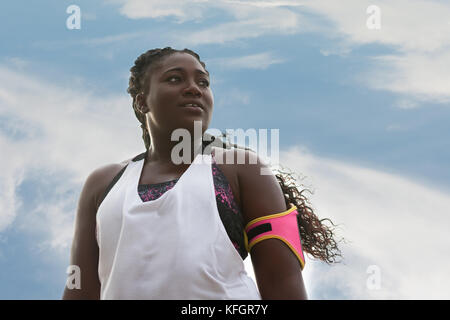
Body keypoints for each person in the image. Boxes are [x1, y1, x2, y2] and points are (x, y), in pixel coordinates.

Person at [62, 47, 342, 300]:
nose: (194, 89)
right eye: (175, 79)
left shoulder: (241, 169)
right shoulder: (104, 183)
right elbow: (80, 291)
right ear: (141, 102)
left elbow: (284, 287)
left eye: (203, 82)